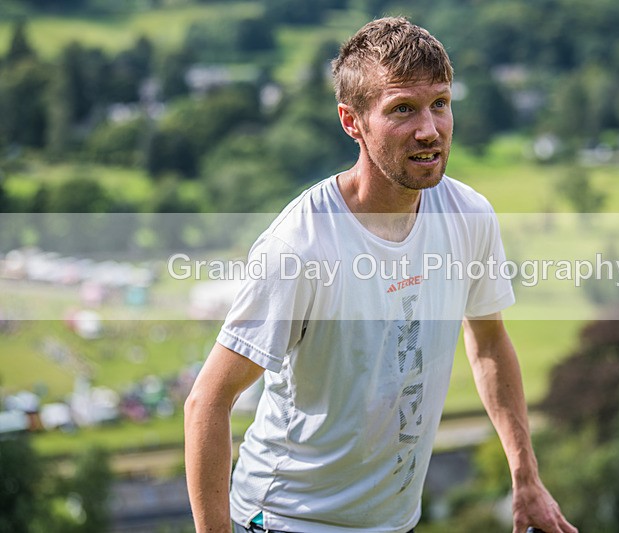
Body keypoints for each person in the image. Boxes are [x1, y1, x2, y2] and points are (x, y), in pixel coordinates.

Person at [184, 16, 578, 533]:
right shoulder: (300, 246)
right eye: (402, 110)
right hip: (285, 521)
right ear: (352, 122)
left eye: (440, 103)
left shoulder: (470, 215)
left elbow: (488, 342)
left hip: (395, 522)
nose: (429, 129)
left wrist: (526, 477)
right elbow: (207, 402)